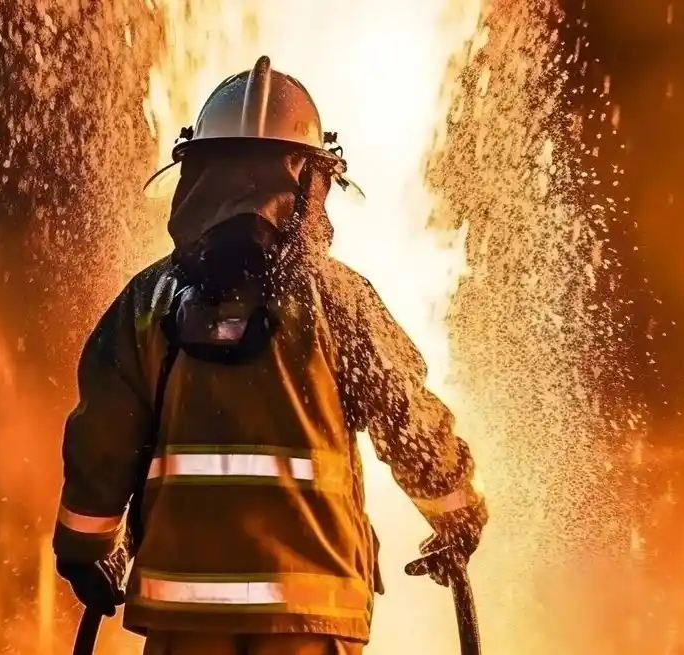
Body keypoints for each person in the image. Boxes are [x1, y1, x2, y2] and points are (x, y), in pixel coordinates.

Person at [53, 56, 487, 655]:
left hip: (183, 618)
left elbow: (101, 441)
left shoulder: (148, 302)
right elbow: (406, 418)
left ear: (196, 176)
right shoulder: (341, 301)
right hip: (312, 613)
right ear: (313, 180)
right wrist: (456, 512)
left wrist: (87, 550)